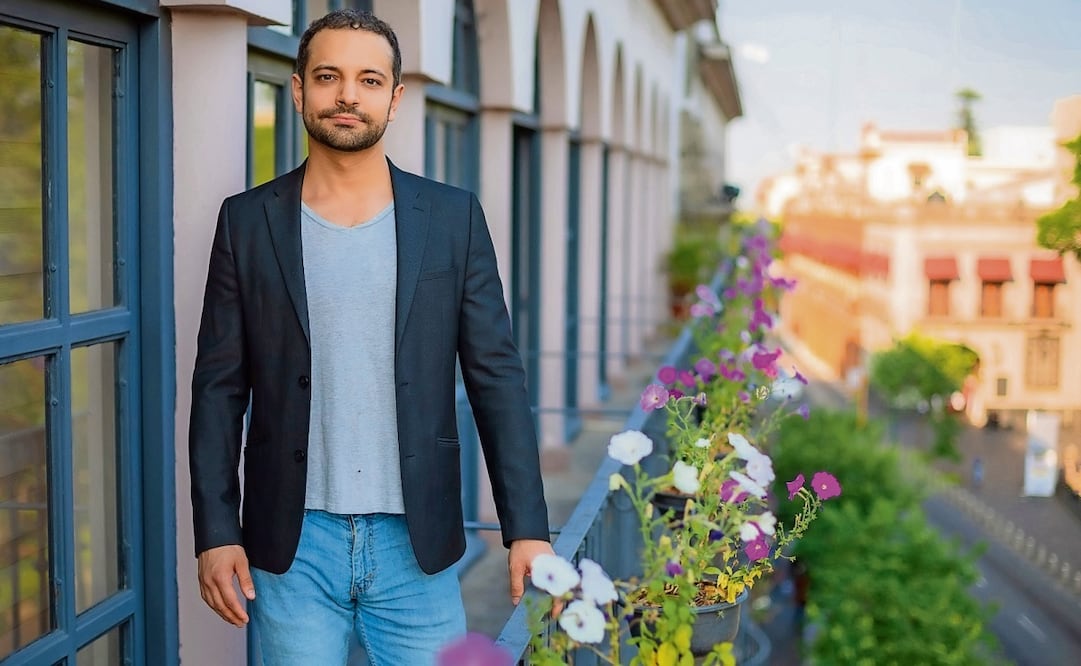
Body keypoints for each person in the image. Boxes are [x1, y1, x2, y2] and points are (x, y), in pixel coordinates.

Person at [188, 9, 555, 665]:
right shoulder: (246, 223)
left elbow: (496, 376)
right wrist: (216, 531)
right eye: (327, 77)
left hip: (415, 544)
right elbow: (218, 389)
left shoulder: (450, 218)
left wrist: (526, 528)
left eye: (367, 79)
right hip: (292, 546)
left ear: (394, 97)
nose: (347, 95)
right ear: (298, 89)